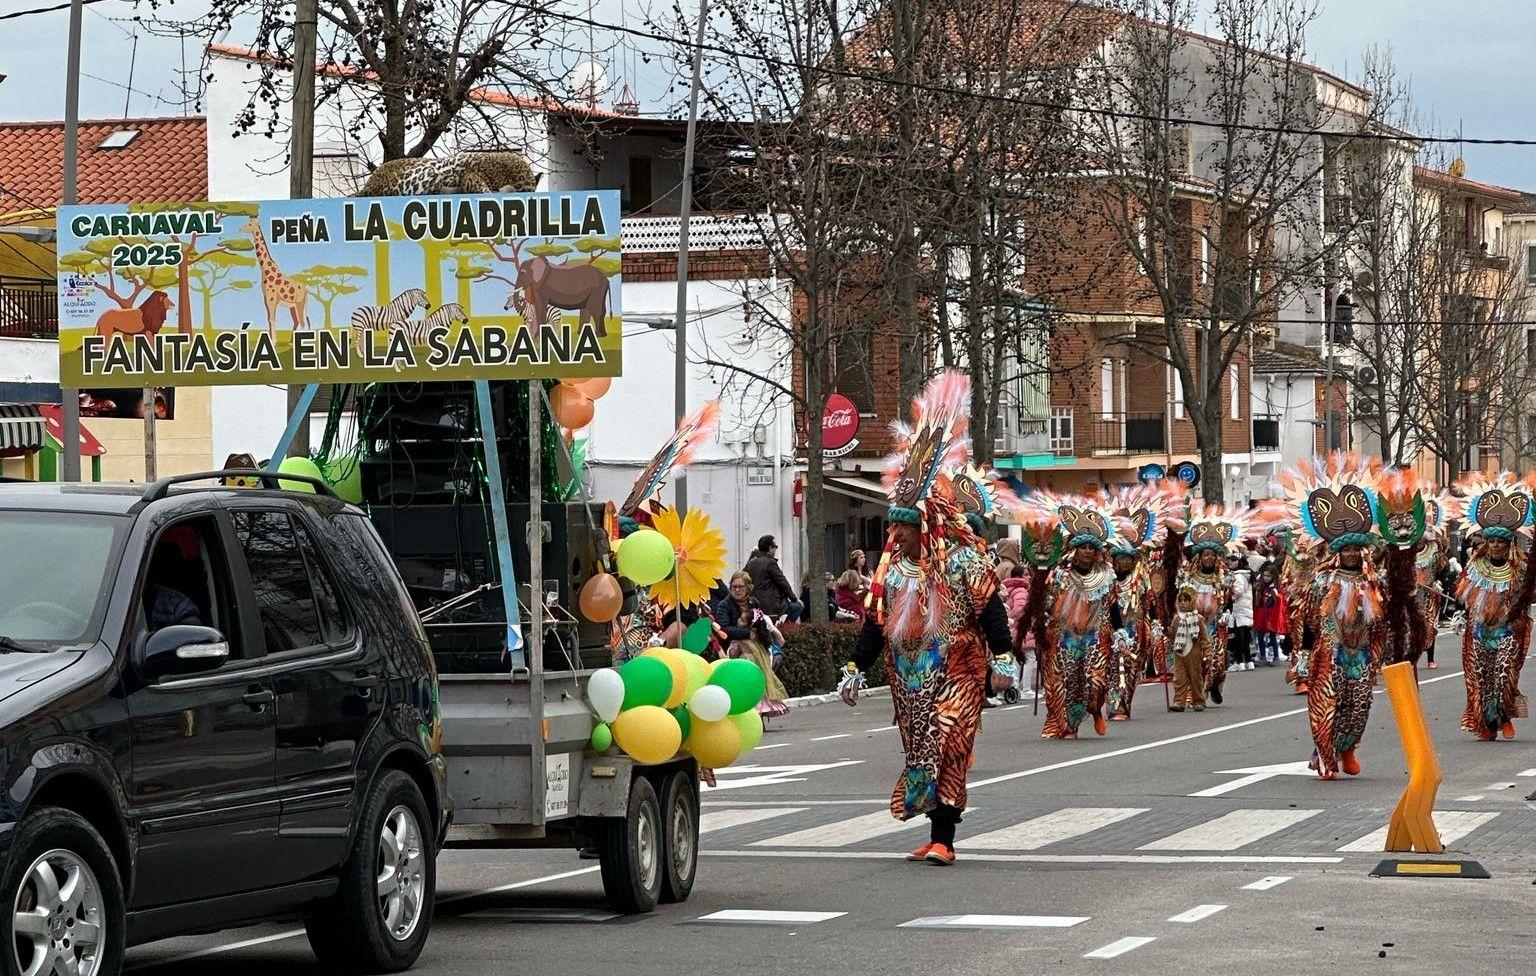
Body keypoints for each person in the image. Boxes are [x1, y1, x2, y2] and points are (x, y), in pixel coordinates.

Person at [838, 370, 1015, 865]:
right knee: (921, 749)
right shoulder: (892, 570)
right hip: (909, 676)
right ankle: (936, 830)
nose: (896, 536)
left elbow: (991, 610)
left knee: (948, 739)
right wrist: (855, 667)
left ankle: (945, 840)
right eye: (894, 527)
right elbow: (876, 624)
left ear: (929, 527)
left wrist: (1003, 657)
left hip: (959, 669)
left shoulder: (964, 562)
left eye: (905, 528)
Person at [1018, 498, 1117, 739]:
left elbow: (1113, 607)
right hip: (1065, 639)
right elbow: (1044, 605)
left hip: (1094, 637)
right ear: (1074, 550)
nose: (1087, 551)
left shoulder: (1106, 575)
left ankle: (1095, 709)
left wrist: (1120, 631)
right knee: (1068, 683)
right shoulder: (1059, 575)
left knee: (1095, 682)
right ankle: (1069, 725)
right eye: (1083, 547)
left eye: (1091, 548)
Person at [1454, 475, 1534, 741]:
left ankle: (1504, 715)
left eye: (1501, 541)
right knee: (1482, 681)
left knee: (1503, 676)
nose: (1496, 545)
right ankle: (1487, 724)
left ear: (1509, 544)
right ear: (1486, 543)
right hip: (1479, 631)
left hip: (1508, 630)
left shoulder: (1520, 568)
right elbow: (1462, 593)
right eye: (1492, 541)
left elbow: (1529, 594)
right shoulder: (1474, 567)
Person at [1177, 508, 1242, 706]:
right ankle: (1198, 693)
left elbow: (1228, 600)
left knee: (1217, 661)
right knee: (1195, 660)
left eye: (1213, 555)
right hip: (1193, 625)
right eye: (1206, 554)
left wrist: (1227, 613)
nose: (1209, 558)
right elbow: (1181, 600)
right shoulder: (1188, 577)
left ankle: (1215, 684)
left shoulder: (1224, 577)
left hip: (1216, 625)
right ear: (1199, 556)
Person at [713, 571, 791, 718]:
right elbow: (724, 629)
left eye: (741, 587)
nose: (737, 590)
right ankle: (749, 706)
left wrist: (762, 634)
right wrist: (747, 634)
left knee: (761, 669)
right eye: (734, 587)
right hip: (734, 645)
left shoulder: (753, 602)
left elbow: (760, 622)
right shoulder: (725, 605)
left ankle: (761, 708)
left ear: (748, 588)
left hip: (756, 645)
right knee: (748, 665)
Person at [745, 535, 803, 622]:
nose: (776, 549)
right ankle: (785, 627)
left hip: (753, 604)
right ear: (770, 548)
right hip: (770, 604)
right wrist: (794, 599)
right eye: (775, 547)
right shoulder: (770, 562)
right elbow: (782, 582)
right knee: (797, 607)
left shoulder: (751, 562)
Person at [1168, 587, 1207, 712]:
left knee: (1195, 677)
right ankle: (1179, 701)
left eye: (1186, 600)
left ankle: (1198, 701)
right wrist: (1163, 629)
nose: (1183, 603)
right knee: (1179, 677)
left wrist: (1208, 653)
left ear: (1192, 601)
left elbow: (1204, 637)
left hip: (1194, 651)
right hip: (1179, 652)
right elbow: (1172, 635)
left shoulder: (1198, 619)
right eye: (1180, 601)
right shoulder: (1176, 618)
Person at [1252, 564, 1288, 667]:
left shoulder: (1275, 588)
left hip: (1271, 615)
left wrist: (1275, 597)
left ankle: (1276, 657)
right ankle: (1262, 657)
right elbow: (1258, 601)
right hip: (1261, 614)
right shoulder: (1262, 586)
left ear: (1273, 576)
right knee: (1260, 635)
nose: (1266, 578)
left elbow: (1278, 602)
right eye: (1265, 575)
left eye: (1268, 576)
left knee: (1272, 636)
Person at [1227, 553, 1254, 672]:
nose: (1230, 562)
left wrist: (1228, 590)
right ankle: (1248, 661)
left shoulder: (1238, 576)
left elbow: (1237, 592)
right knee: (1245, 639)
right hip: (1246, 609)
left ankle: (1239, 662)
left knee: (1238, 639)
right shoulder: (1246, 575)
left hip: (1239, 611)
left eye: (1233, 560)